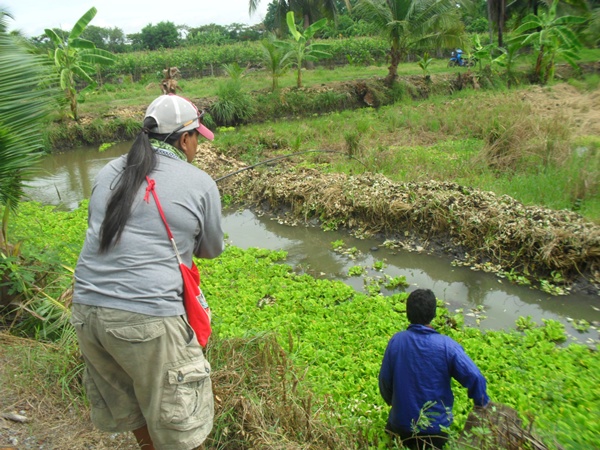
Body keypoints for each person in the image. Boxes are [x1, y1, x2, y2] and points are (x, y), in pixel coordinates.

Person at [71, 94, 225, 450]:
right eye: (197, 138)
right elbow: (211, 250)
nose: (198, 145)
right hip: (148, 319)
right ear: (185, 139)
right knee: (181, 428)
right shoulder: (199, 183)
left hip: (87, 314)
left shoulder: (109, 170)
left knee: (136, 412)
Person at [379, 288, 490, 450]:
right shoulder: (447, 346)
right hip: (435, 432)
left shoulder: (397, 341)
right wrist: (481, 405)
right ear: (433, 313)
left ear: (407, 313)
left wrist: (396, 403)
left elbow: (384, 382)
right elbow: (475, 377)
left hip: (401, 425)